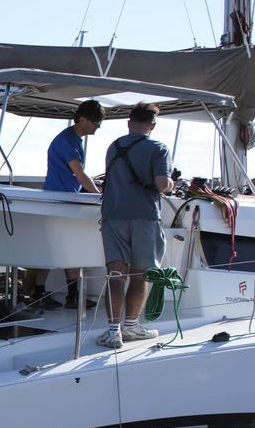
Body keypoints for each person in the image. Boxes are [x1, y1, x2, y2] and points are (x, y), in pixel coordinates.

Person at [97, 102, 174, 349]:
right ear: (152, 125)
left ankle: (113, 332)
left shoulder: (114, 146)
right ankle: (131, 327)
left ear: (129, 123)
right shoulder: (158, 148)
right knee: (140, 275)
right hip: (144, 217)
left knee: (116, 275)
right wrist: (172, 183)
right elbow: (162, 185)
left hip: (113, 216)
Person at [33, 99, 105, 310]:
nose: (97, 127)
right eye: (95, 122)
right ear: (82, 119)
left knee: (60, 248)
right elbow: (80, 175)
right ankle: (58, 296)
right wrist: (100, 196)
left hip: (62, 199)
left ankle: (53, 294)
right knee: (61, 249)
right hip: (59, 201)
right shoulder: (68, 142)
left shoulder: (73, 140)